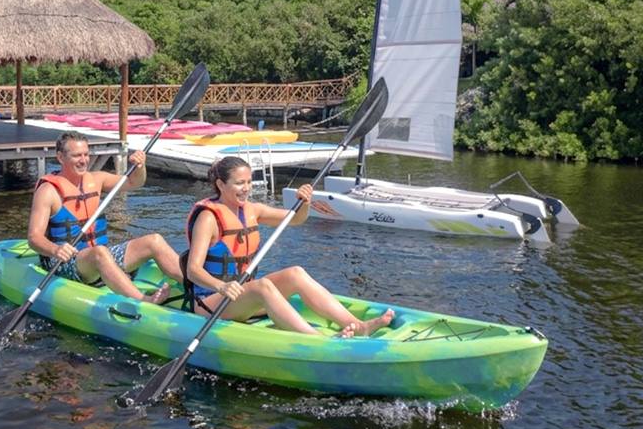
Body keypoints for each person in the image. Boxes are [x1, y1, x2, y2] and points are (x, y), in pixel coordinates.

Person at [183, 156, 394, 337]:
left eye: (249, 182)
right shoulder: (208, 218)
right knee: (262, 286)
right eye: (239, 183)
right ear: (221, 185)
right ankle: (316, 340)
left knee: (295, 273)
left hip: (241, 297)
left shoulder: (253, 210)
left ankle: (357, 326)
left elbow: (295, 219)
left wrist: (305, 202)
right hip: (210, 302)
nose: (246, 188)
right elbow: (193, 270)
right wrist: (221, 286)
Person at [28, 130, 184, 303]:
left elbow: (134, 182)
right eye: (77, 155)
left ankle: (195, 286)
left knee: (154, 240)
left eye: (86, 154)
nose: (83, 160)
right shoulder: (48, 192)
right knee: (100, 253)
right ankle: (144, 300)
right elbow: (34, 237)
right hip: (66, 263)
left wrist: (140, 167)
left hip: (98, 256)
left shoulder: (97, 179)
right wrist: (55, 250)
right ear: (60, 157)